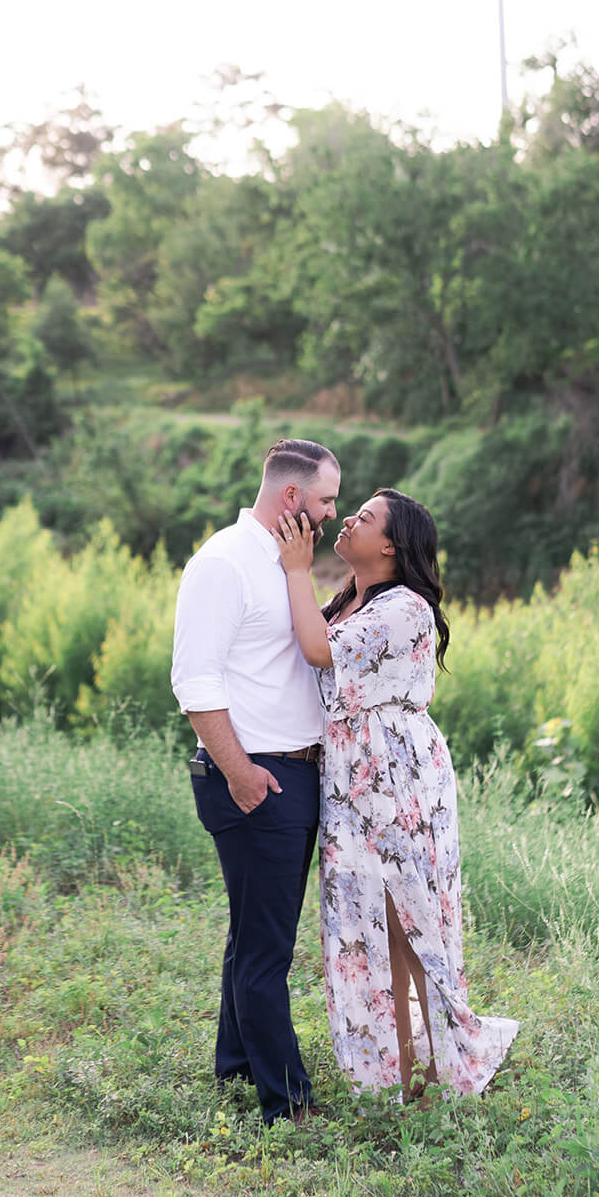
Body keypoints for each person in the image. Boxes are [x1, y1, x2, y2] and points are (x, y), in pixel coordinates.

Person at [272, 488, 519, 1103]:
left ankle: (428, 1067)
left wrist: (296, 570)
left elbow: (319, 651)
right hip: (350, 777)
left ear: (389, 544)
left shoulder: (405, 607)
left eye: (366, 516)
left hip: (396, 774)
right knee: (366, 917)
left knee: (407, 914)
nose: (349, 518)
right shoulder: (348, 600)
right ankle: (399, 1065)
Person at [171, 438, 341, 1126]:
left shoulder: (287, 564)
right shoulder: (224, 562)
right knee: (267, 950)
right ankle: (286, 1103)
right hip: (256, 775)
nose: (334, 512)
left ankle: (236, 1069)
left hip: (290, 773)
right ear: (294, 497)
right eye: (328, 499)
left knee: (254, 937)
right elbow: (195, 679)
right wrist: (240, 773)